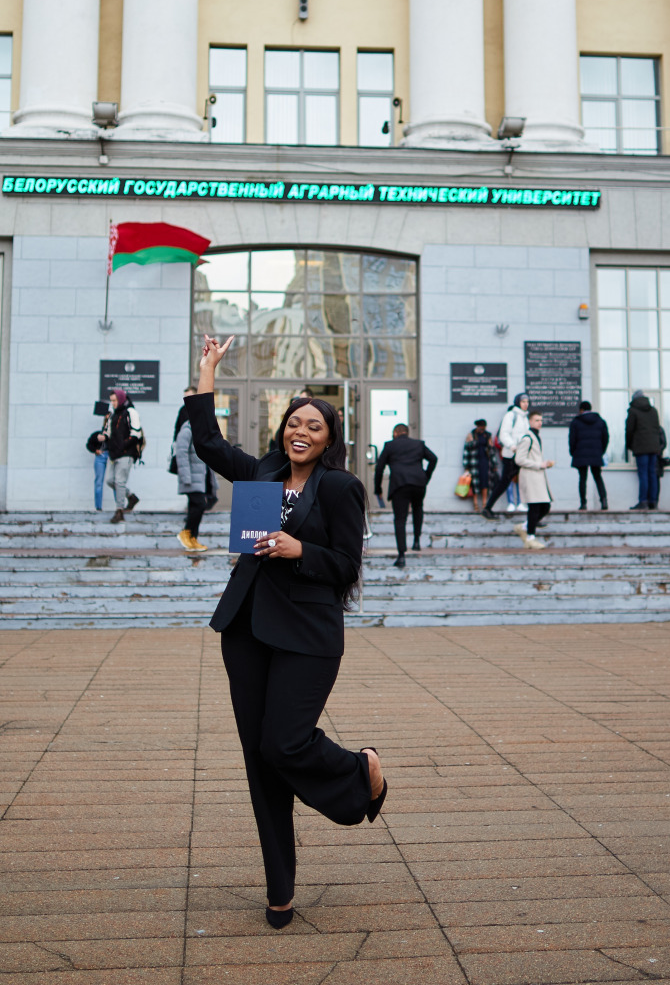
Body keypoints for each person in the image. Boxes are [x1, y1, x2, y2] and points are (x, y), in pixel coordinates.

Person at [184, 333, 387, 931]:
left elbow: (347, 564)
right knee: (259, 761)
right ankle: (280, 889)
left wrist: (301, 550)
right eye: (294, 422)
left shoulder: (342, 488)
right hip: (245, 629)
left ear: (329, 439)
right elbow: (207, 441)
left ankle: (359, 774)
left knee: (285, 743)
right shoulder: (261, 475)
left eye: (314, 426)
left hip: (307, 634)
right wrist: (207, 370)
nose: (301, 431)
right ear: (282, 429)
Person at [374, 423, 437, 568]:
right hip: (418, 483)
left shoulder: (390, 446)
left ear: (396, 432)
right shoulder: (418, 444)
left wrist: (378, 488)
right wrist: (426, 476)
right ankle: (416, 541)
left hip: (400, 484)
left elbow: (379, 468)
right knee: (417, 509)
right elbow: (433, 459)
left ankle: (401, 555)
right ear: (406, 433)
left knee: (400, 519)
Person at [175, 386, 218, 551]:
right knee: (199, 505)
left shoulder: (198, 428)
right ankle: (186, 533)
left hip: (201, 476)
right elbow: (181, 452)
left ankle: (192, 538)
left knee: (197, 506)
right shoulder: (187, 428)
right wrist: (186, 477)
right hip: (192, 477)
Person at [481, 393, 530, 519]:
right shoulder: (511, 415)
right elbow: (503, 434)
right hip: (511, 456)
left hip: (522, 456)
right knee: (505, 482)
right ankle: (487, 508)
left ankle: (533, 514)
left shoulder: (525, 418)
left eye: (527, 402)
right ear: (518, 402)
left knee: (527, 481)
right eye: (523, 401)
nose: (526, 404)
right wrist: (512, 446)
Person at [513, 410, 554, 550]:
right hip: (530, 476)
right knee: (535, 507)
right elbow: (519, 459)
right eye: (537, 420)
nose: (540, 423)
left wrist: (544, 463)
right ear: (530, 421)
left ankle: (524, 527)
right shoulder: (527, 438)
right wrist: (539, 464)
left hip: (537, 476)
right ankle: (531, 537)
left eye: (541, 420)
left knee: (545, 506)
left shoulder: (536, 437)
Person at [102, 388, 141, 523]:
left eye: (114, 400)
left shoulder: (131, 412)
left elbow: (136, 434)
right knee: (110, 480)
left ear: (121, 399)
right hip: (113, 454)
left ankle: (119, 511)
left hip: (126, 453)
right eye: (111, 401)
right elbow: (109, 433)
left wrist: (123, 445)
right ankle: (131, 496)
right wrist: (103, 437)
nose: (112, 403)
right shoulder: (113, 415)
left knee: (119, 481)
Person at [568, 400, 609, 510]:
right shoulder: (600, 421)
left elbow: (572, 440)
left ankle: (583, 503)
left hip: (580, 454)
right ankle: (604, 501)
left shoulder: (576, 422)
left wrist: (573, 452)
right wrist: (601, 451)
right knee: (598, 477)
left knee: (582, 479)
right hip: (596, 453)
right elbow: (606, 438)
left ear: (581, 410)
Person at [625, 390, 662, 510]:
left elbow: (629, 430)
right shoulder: (653, 411)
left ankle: (643, 502)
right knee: (652, 473)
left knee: (643, 474)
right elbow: (657, 428)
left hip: (641, 447)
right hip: (654, 447)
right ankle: (653, 502)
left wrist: (629, 445)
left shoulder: (633, 411)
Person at [462, 419, 497, 512]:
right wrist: (466, 466)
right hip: (474, 462)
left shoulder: (487, 435)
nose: (482, 429)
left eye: (483, 428)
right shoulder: (471, 435)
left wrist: (494, 463)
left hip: (485, 461)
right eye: (480, 428)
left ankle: (485, 503)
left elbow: (492, 450)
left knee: (485, 482)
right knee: (475, 483)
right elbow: (466, 450)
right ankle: (475, 504)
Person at [86, 409, 111, 511]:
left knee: (114, 481)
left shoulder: (115, 434)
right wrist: (95, 450)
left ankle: (119, 507)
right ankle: (98, 507)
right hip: (101, 456)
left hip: (111, 457)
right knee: (98, 482)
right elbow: (89, 444)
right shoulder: (98, 434)